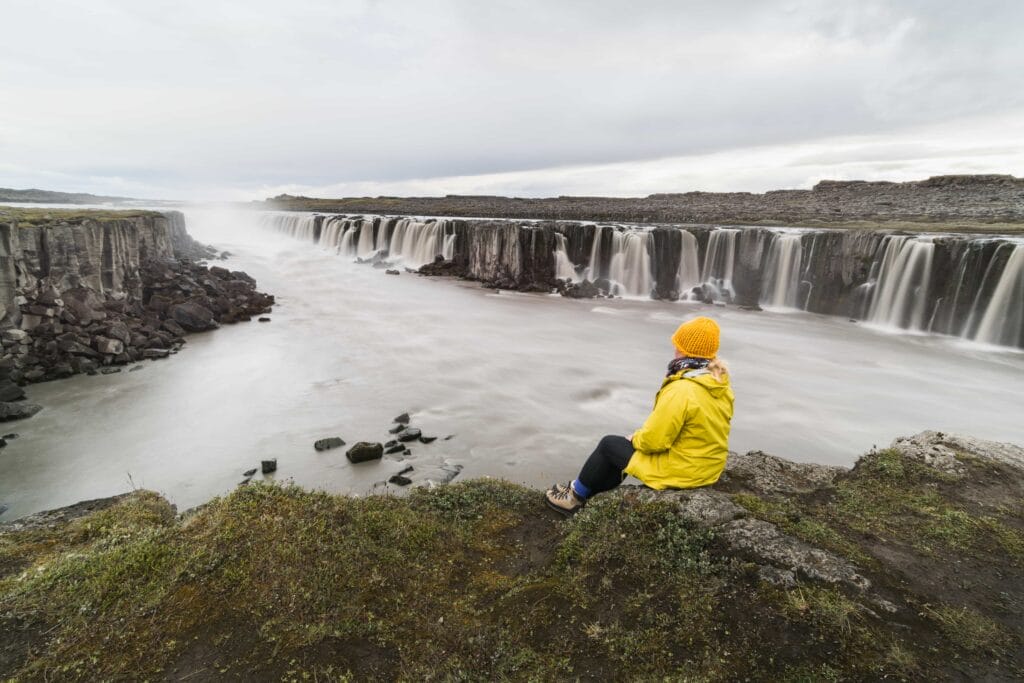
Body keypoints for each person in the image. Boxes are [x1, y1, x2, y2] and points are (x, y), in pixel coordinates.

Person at [545, 316, 734, 515]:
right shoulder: (719, 383)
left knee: (610, 445)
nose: (674, 350)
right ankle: (589, 494)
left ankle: (574, 498)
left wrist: (636, 438)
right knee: (624, 450)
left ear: (685, 350)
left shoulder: (682, 389)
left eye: (677, 345)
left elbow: (654, 441)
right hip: (708, 468)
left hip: (683, 472)